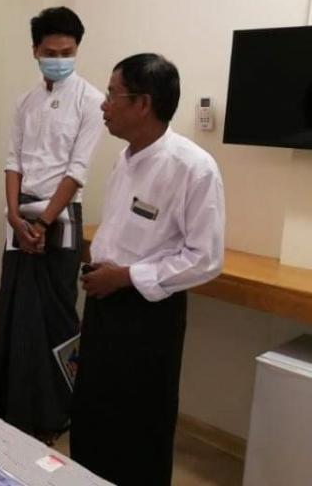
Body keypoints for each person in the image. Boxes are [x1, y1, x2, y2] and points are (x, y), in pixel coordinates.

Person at [70, 53, 225, 486]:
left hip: (148, 315)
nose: (103, 105)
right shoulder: (124, 158)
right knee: (93, 412)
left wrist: (125, 277)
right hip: (104, 302)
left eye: (112, 95)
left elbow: (205, 258)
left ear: (143, 103)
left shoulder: (193, 168)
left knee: (140, 425)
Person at [0, 7, 104, 440]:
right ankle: (10, 405)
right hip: (21, 215)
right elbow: (13, 161)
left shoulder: (91, 101)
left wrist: (44, 221)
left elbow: (78, 170)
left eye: (67, 52)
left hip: (62, 215)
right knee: (16, 310)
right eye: (50, 52)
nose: (59, 59)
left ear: (77, 50)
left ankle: (55, 412)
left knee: (56, 313)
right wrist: (15, 216)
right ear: (35, 51)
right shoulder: (25, 101)